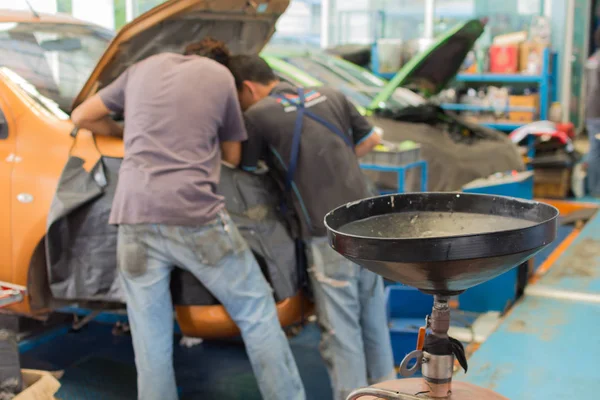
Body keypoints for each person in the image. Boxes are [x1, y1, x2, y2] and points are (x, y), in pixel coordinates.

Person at [71, 39, 305, 400]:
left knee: (150, 337)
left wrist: (125, 133)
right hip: (194, 216)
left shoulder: (143, 67)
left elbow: (81, 116)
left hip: (133, 217)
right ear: (223, 65)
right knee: (256, 311)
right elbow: (232, 154)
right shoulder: (219, 77)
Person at [226, 55, 396, 400]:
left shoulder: (257, 116)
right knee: (374, 319)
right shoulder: (330, 93)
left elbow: (240, 167)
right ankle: (391, 392)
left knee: (341, 330)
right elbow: (369, 140)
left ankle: (354, 396)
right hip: (370, 222)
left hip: (328, 234)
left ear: (247, 87)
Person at [584, 26, 600, 197]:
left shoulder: (592, 59)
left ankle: (593, 188)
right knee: (596, 151)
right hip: (598, 113)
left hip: (591, 113)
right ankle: (595, 189)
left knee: (595, 150)